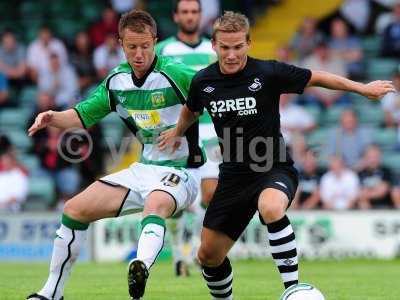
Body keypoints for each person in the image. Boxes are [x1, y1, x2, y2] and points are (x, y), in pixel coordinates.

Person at [158, 11, 394, 299]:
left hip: (273, 167)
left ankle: (293, 289)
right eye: (225, 47)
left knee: (271, 207)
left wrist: (362, 89)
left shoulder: (267, 72)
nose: (231, 54)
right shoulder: (203, 81)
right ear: (214, 46)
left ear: (248, 43)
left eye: (237, 47)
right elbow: (191, 110)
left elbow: (316, 77)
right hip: (233, 177)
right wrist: (177, 131)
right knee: (207, 256)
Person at [26, 10, 204, 300]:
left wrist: (183, 128)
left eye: (145, 46)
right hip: (144, 169)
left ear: (155, 42)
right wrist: (53, 118)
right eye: (131, 47)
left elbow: (213, 95)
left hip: (184, 171)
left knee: (156, 203)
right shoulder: (116, 81)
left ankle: (140, 267)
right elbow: (84, 114)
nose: (139, 53)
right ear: (121, 44)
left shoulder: (177, 74)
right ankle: (50, 293)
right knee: (73, 209)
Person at [156, 0, 218, 275]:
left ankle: (192, 248)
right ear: (175, 16)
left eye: (194, 12)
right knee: (175, 201)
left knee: (211, 195)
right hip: (177, 132)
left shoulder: (214, 49)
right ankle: (178, 251)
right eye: (185, 12)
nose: (190, 16)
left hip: (212, 133)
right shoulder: (163, 50)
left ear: (201, 15)